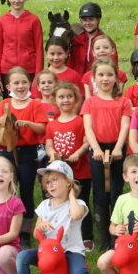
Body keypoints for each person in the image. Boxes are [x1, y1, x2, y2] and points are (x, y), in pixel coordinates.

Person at [11, 161, 110, 274]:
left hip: (70, 251)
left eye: (55, 180)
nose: (50, 185)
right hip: (48, 254)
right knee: (22, 256)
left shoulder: (78, 203)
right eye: (48, 182)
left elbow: (77, 215)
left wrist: (71, 196)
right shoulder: (45, 205)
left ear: (68, 183)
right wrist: (41, 226)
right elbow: (36, 231)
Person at [82, 57, 133, 252]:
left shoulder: (123, 102)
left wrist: (119, 147)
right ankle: (103, 241)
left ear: (116, 78)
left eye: (109, 74)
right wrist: (95, 148)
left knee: (116, 193)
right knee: (100, 193)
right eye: (101, 75)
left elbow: (125, 126)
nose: (105, 78)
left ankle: (117, 238)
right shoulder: (90, 102)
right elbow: (88, 126)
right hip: (97, 149)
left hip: (117, 149)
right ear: (94, 78)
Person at [0, 69, 48, 233]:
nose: (20, 86)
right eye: (16, 83)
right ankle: (8, 227)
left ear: (29, 83)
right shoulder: (4, 104)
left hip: (28, 153)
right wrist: (1, 122)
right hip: (8, 152)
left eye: (23, 82)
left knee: (27, 190)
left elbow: (42, 129)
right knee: (7, 190)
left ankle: (26, 230)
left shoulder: (35, 104)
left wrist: (27, 123)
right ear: (8, 86)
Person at [44, 81, 94, 245]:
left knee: (81, 202)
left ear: (75, 99)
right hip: (60, 174)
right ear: (55, 100)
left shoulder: (80, 121)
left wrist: (77, 154)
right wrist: (53, 154)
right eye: (61, 97)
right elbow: (49, 145)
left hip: (80, 171)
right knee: (62, 205)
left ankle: (86, 237)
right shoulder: (52, 124)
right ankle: (63, 235)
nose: (65, 100)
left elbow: (87, 142)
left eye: (69, 96)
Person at [0, 0, 44, 94]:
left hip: (29, 71)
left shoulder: (34, 20)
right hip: (7, 71)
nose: (17, 0)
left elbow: (39, 50)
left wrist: (38, 75)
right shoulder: (1, 21)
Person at [69, 2, 118, 76]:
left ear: (98, 20)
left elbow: (113, 65)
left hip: (97, 81)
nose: (88, 23)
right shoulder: (76, 41)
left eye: (91, 19)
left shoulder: (106, 42)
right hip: (77, 82)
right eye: (85, 20)